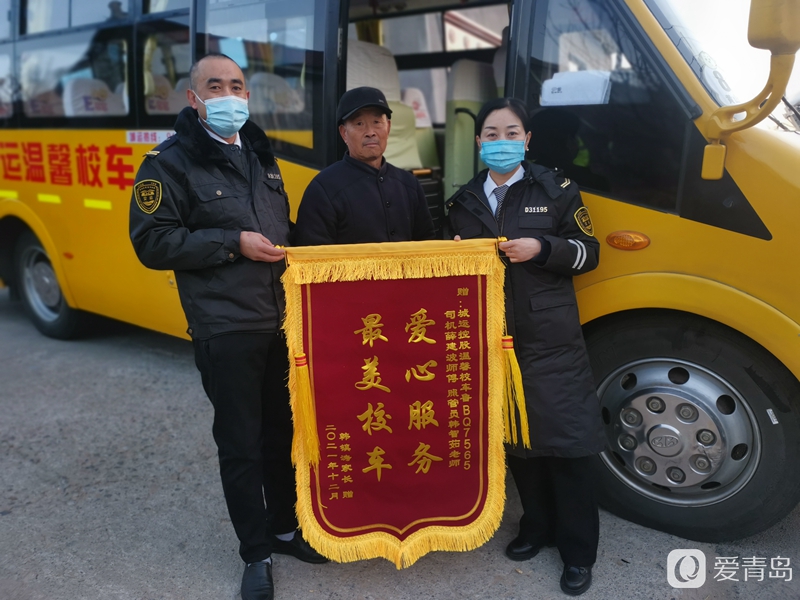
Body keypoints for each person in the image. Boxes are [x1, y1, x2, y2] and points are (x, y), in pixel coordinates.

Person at [128, 53, 327, 600]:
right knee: (240, 443)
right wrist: (231, 242)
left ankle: (285, 528)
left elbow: (281, 232)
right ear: (194, 100)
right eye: (214, 86)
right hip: (225, 326)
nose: (229, 95)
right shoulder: (168, 164)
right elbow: (152, 241)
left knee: (281, 434)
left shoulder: (261, 155)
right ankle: (255, 553)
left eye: (237, 86)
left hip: (279, 323)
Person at [446, 97, 604, 596]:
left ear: (527, 140)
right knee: (519, 444)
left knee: (569, 446)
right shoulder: (463, 202)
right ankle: (535, 528)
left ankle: (578, 552)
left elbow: (588, 253)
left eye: (511, 133)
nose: (501, 142)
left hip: (550, 340)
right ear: (478, 142)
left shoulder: (555, 189)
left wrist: (543, 249)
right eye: (491, 134)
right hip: (493, 341)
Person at [293, 86, 435, 245]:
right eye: (359, 123)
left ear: (388, 127)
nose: (370, 132)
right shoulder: (323, 189)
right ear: (343, 133)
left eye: (377, 122)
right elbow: (312, 258)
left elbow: (427, 247)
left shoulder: (409, 184)